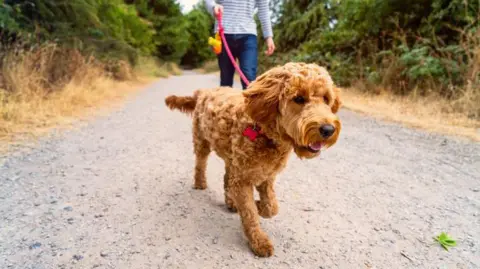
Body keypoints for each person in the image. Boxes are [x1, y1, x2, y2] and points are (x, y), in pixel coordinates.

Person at [205, 0, 275, 89]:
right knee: (225, 80)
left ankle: (249, 102)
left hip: (248, 35)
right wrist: (213, 6)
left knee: (249, 77)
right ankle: (225, 102)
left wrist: (268, 36)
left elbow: (263, 10)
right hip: (224, 34)